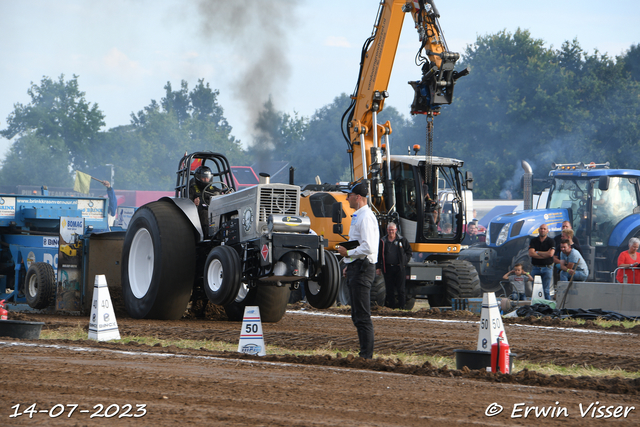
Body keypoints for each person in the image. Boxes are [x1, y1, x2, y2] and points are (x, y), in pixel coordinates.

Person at [337, 182, 379, 359]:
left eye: (350, 195)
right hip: (357, 266)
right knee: (357, 314)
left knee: (362, 315)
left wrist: (349, 253)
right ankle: (364, 353)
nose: (347, 198)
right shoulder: (358, 216)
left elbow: (368, 246)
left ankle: (366, 356)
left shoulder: (366, 217)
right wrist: (349, 262)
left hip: (363, 268)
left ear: (358, 197)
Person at [376, 222, 412, 309]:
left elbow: (409, 252)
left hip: (399, 268)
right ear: (387, 230)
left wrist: (404, 262)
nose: (391, 231)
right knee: (389, 289)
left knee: (401, 289)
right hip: (388, 268)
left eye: (392, 230)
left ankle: (402, 308)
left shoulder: (402, 240)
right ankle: (391, 308)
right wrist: (378, 267)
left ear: (396, 230)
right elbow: (379, 255)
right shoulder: (383, 241)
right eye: (389, 230)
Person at [528, 223, 555, 300]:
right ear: (539, 230)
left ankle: (548, 307)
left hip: (547, 268)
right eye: (541, 228)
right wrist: (545, 253)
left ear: (547, 231)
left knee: (546, 290)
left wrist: (537, 252)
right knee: (535, 289)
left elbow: (550, 254)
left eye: (544, 229)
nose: (542, 230)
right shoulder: (533, 240)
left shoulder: (551, 241)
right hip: (535, 268)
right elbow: (530, 253)